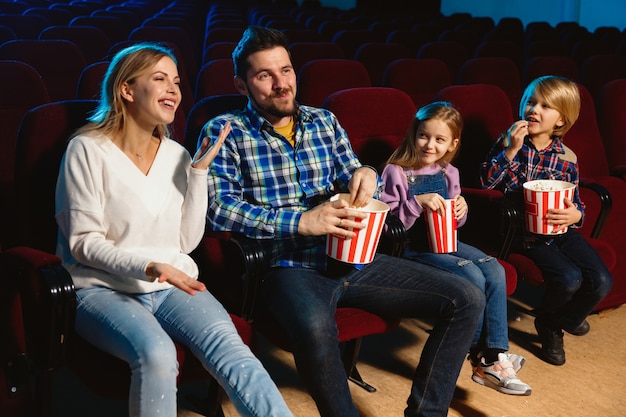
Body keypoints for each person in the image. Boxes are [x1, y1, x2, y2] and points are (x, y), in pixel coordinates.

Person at [204, 25, 485, 417]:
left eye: (285, 70)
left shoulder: (324, 121)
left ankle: (427, 413)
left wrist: (367, 173)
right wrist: (301, 222)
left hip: (352, 254)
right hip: (287, 266)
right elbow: (219, 208)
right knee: (317, 329)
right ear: (241, 83)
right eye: (264, 75)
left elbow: (354, 170)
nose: (280, 84)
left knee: (467, 297)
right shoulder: (224, 131)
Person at [54, 42, 295, 417]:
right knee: (158, 354)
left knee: (232, 349)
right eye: (160, 79)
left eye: (177, 82)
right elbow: (83, 243)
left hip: (170, 284)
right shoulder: (87, 149)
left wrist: (198, 174)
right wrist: (151, 266)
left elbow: (184, 241)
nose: (173, 90)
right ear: (127, 89)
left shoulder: (177, 154)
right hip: (100, 287)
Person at [380, 101, 532, 396]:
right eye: (424, 136)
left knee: (494, 269)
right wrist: (415, 203)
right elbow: (389, 227)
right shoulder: (396, 171)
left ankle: (495, 353)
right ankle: (481, 357)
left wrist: (461, 210)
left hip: (445, 241)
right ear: (414, 134)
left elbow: (454, 223)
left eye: (439, 139)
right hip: (411, 247)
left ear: (453, 142)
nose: (430, 144)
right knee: (473, 277)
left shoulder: (449, 172)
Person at [480, 75, 613, 366]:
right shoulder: (508, 142)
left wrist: (577, 215)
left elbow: (575, 201)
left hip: (560, 230)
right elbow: (488, 183)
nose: (534, 109)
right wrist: (511, 150)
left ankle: (560, 318)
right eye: (531, 101)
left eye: (545, 106)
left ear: (561, 121)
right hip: (525, 234)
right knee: (569, 278)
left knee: (602, 281)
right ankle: (550, 326)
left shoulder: (567, 157)